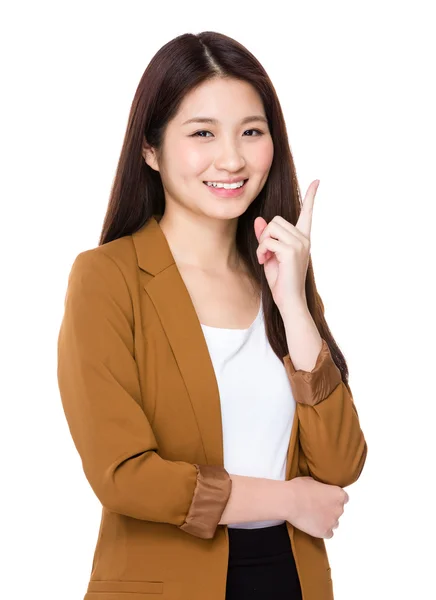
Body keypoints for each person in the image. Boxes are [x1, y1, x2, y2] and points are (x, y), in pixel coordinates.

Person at [57, 30, 368, 600]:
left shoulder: (282, 281)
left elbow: (342, 462)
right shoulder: (107, 278)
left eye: (252, 131)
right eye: (203, 133)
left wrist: (294, 305)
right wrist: (287, 499)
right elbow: (124, 475)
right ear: (149, 149)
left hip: (292, 580)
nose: (231, 158)